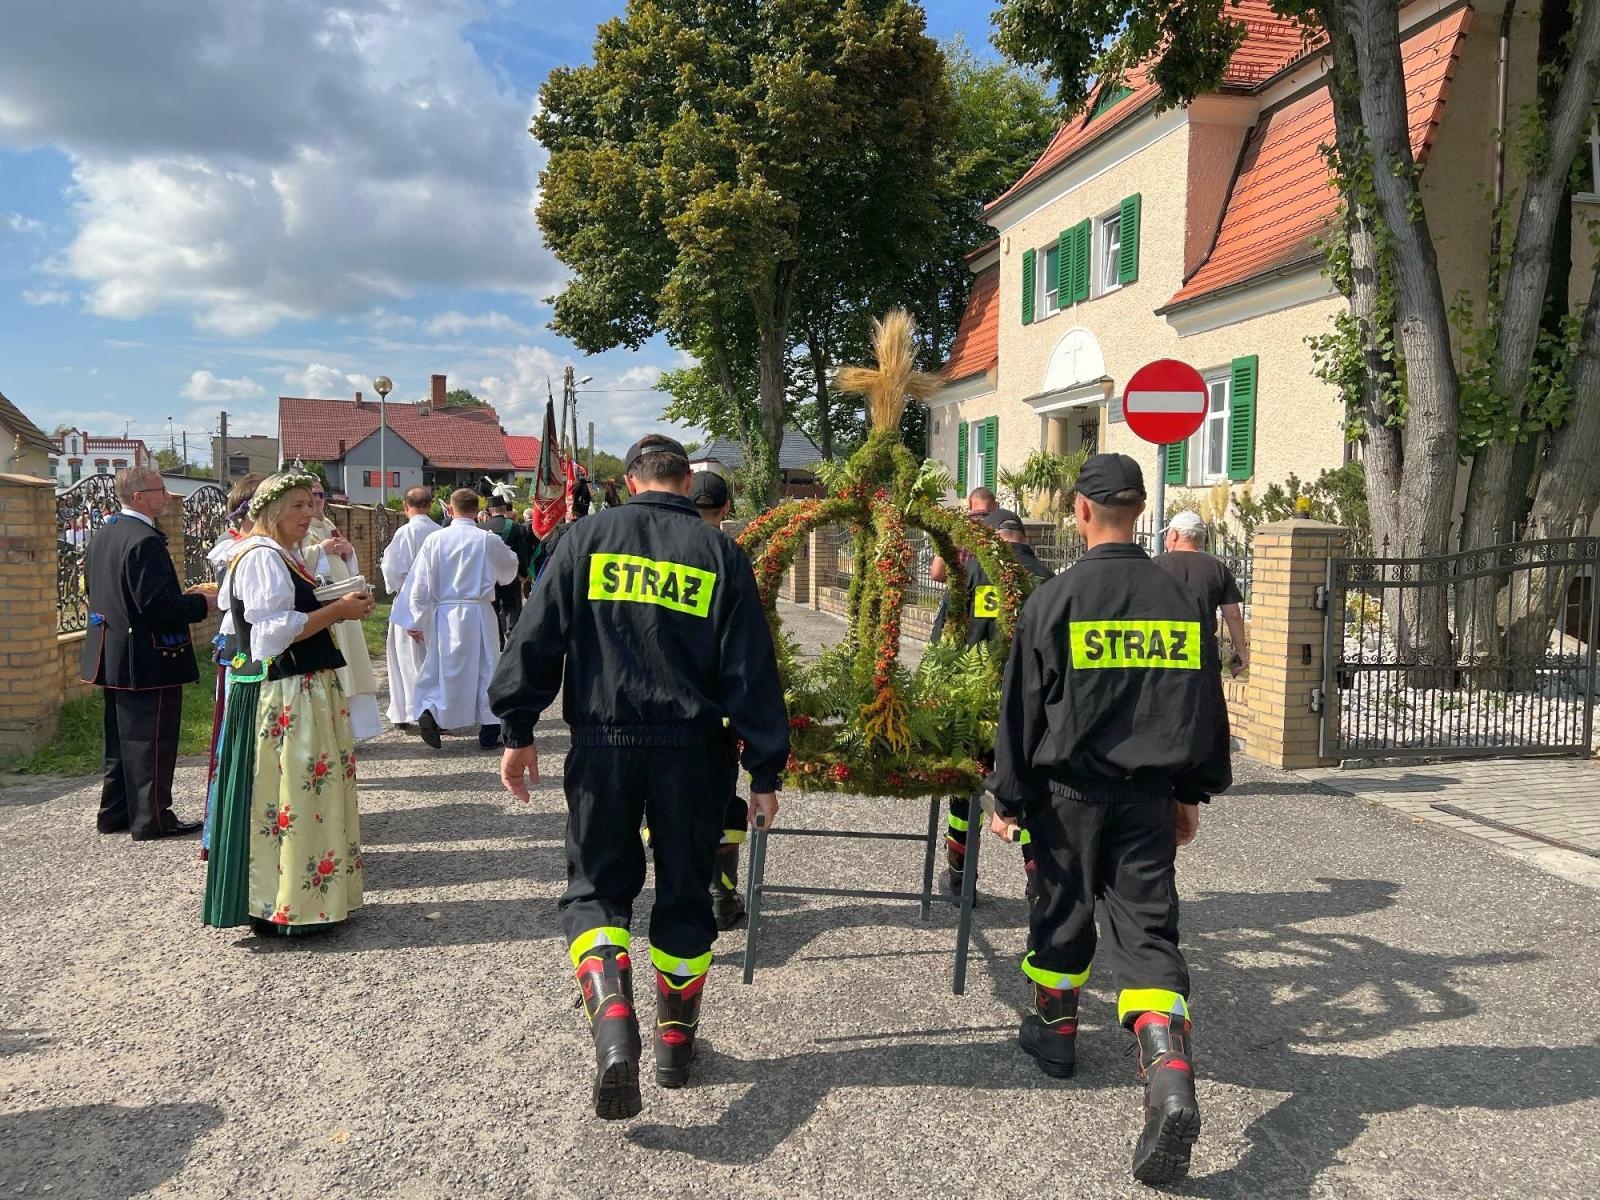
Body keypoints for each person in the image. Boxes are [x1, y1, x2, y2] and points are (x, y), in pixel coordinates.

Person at [489, 434, 789, 1119]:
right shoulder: (719, 552)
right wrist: (765, 769)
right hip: (692, 751)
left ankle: (614, 1020)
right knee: (685, 895)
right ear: (689, 484)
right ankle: (676, 1048)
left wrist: (518, 728)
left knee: (595, 889)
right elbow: (749, 666)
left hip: (604, 741)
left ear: (629, 482)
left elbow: (536, 634)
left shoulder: (586, 538)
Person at [987, 453, 1232, 1186]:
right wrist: (1191, 791)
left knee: (1059, 910)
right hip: (1150, 796)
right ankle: (1168, 1074)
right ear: (1140, 508)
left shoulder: (1052, 600)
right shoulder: (1178, 598)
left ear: (1081, 511)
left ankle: (1056, 1036)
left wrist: (1008, 798)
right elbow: (1201, 704)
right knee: (1147, 929)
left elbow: (1021, 711)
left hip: (1067, 797)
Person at [202, 471, 373, 937]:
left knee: (311, 792)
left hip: (304, 685)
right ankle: (288, 905)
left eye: (309, 504)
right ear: (272, 511)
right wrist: (337, 611)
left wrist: (333, 601)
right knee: (292, 792)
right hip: (287, 690)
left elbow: (290, 613)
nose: (308, 513)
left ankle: (307, 898)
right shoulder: (260, 557)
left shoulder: (280, 554)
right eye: (297, 505)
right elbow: (270, 635)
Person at [80, 467, 217, 840]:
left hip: (112, 652)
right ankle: (153, 818)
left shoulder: (104, 534)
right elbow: (156, 605)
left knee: (121, 740)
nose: (166, 495)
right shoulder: (144, 540)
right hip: (146, 656)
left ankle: (115, 813)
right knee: (153, 740)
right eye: (160, 490)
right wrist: (202, 603)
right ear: (140, 496)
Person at [931, 510, 1052, 900]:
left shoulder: (969, 576)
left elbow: (943, 643)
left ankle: (959, 878)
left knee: (966, 785)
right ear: (1023, 536)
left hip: (975, 703)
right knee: (1033, 792)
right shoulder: (1050, 582)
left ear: (995, 538)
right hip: (1034, 710)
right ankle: (1037, 883)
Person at [393, 488, 520, 750]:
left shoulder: (435, 540)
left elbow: (419, 584)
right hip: (479, 611)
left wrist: (414, 620)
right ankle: (489, 728)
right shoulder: (487, 539)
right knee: (486, 668)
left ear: (450, 510)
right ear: (477, 511)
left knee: (442, 667)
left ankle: (430, 710)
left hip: (445, 613)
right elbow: (509, 571)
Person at [686, 469, 754, 930]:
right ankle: (722, 896)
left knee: (672, 809)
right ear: (726, 510)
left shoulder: (662, 551)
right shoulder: (730, 556)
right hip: (717, 705)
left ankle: (694, 894)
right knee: (725, 800)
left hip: (670, 705)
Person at [199, 472, 265, 861]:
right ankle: (227, 833)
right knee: (236, 740)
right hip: (242, 650)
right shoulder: (235, 548)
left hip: (255, 648)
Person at [300, 481, 382, 739]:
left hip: (344, 604)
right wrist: (320, 550)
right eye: (311, 495)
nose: (318, 499)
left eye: (321, 494)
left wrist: (348, 552)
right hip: (325, 605)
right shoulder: (299, 528)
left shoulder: (327, 524)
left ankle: (355, 729)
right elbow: (296, 560)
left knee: (352, 661)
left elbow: (346, 562)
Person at [378, 487, 442, 731]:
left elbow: (391, 569)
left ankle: (405, 710)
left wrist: (397, 584)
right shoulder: (440, 532)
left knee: (405, 658)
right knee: (432, 659)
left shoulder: (404, 532)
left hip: (408, 601)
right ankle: (432, 710)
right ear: (430, 504)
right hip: (435, 605)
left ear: (406, 507)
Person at [1159, 511, 1249, 677]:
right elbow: (1233, 615)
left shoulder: (1154, 565)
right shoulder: (1217, 568)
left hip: (1160, 651)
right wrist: (1241, 651)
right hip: (1202, 653)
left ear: (1174, 535)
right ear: (1201, 538)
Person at [482, 495, 536, 645]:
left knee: (493, 607)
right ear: (504, 509)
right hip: (510, 575)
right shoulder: (515, 527)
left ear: (490, 511)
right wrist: (524, 574)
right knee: (513, 606)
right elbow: (521, 552)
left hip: (489, 577)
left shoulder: (480, 528)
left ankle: (497, 639)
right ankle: (512, 634)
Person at [930, 486, 997, 584]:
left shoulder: (952, 528)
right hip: (990, 595)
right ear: (995, 505)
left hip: (961, 594)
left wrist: (958, 584)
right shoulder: (1000, 528)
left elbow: (936, 574)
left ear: (969, 504)